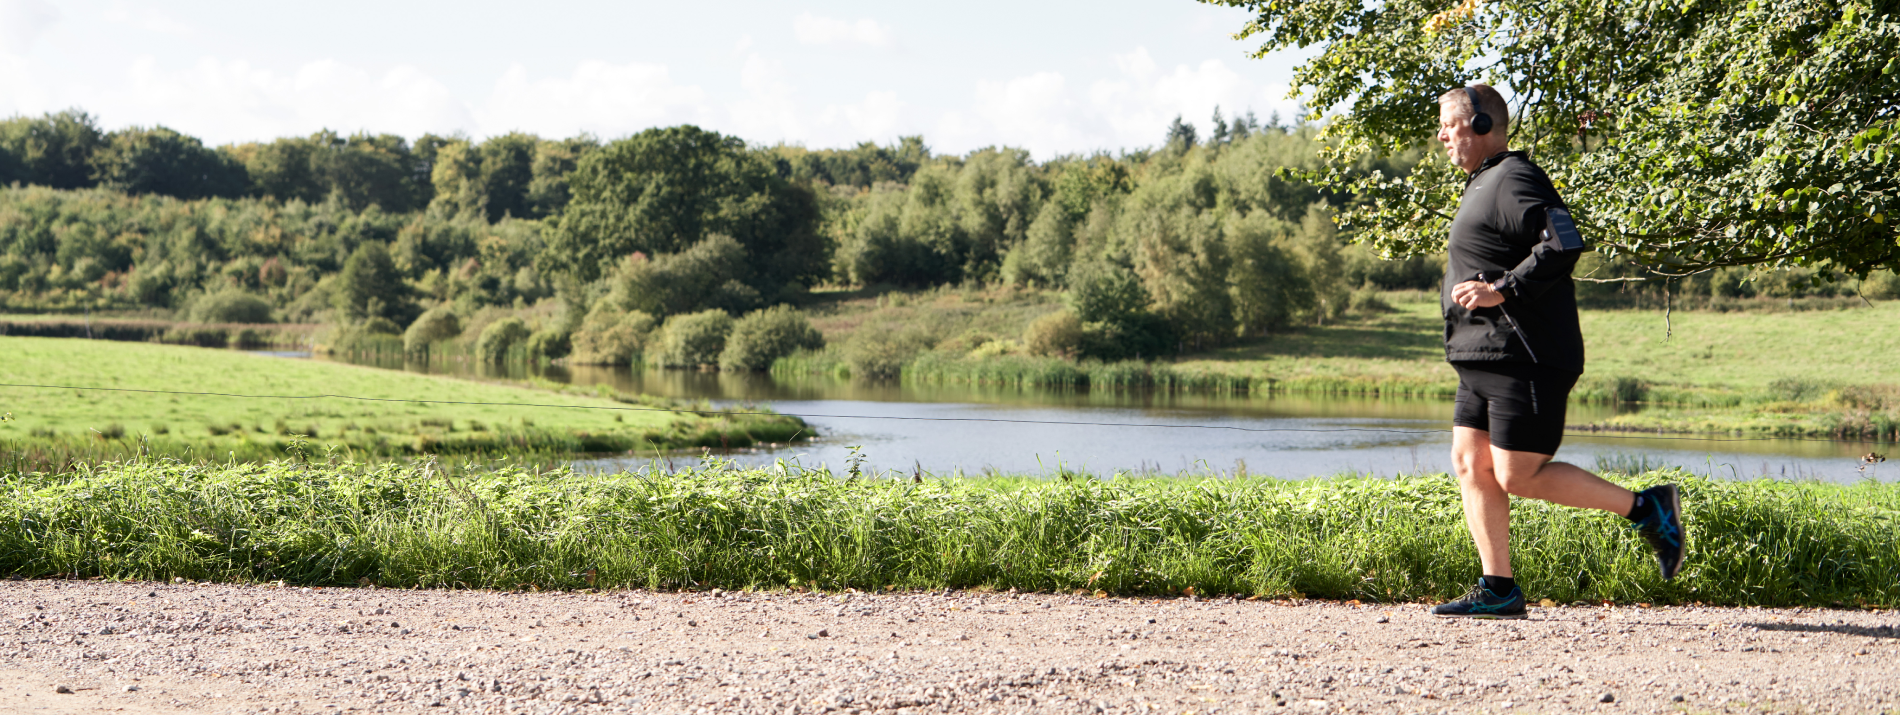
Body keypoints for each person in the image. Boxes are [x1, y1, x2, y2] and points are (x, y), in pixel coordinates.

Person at [1429, 84, 1684, 619]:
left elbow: (1563, 241)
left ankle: (1648, 507)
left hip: (1524, 354)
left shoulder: (1514, 177)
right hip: (1481, 356)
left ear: (1480, 126)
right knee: (1470, 464)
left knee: (1517, 474)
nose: (1442, 136)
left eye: (1449, 125)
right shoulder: (1483, 183)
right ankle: (1498, 586)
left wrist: (1504, 288)